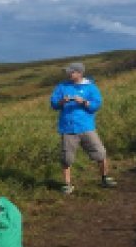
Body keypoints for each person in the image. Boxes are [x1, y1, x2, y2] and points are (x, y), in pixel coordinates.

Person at [49, 62, 115, 194]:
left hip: (86, 126)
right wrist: (62, 101)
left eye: (71, 72)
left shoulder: (91, 87)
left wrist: (84, 102)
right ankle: (67, 184)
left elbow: (96, 105)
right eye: (68, 72)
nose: (68, 74)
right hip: (67, 128)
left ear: (79, 73)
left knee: (100, 152)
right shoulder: (62, 86)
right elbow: (53, 103)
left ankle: (104, 177)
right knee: (66, 157)